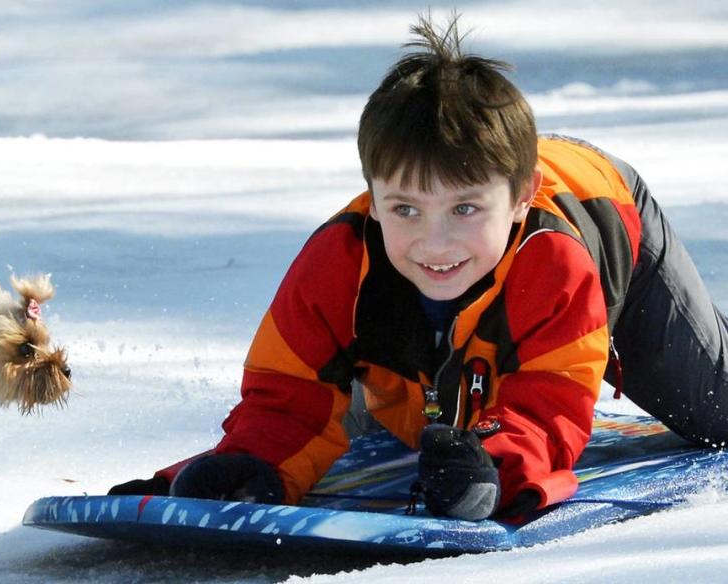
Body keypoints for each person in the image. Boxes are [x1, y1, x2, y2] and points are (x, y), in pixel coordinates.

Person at [109, 15, 728, 521]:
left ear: (520, 196)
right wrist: (251, 465)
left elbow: (548, 402)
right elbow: (290, 393)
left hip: (613, 218)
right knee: (417, 407)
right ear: (371, 196)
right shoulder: (339, 259)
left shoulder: (554, 262)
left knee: (713, 410)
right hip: (493, 211)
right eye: (405, 207)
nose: (435, 240)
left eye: (464, 208)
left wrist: (497, 469)